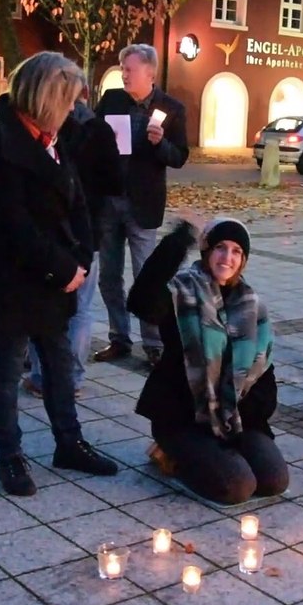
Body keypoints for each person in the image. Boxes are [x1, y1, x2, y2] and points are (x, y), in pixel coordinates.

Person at [0, 51, 119, 497]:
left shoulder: (54, 138)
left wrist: (85, 257)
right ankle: (9, 457)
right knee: (8, 369)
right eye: (67, 99)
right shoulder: (1, 146)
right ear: (46, 96)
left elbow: (76, 202)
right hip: (11, 282)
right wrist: (64, 267)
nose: (73, 109)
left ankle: (69, 443)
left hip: (54, 280)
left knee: (58, 365)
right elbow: (14, 224)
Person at [127, 215, 287, 505]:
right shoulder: (181, 292)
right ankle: (171, 456)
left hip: (235, 419)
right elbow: (140, 299)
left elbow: (264, 373)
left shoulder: (251, 305)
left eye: (236, 251)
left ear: (244, 259)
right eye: (220, 248)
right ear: (206, 251)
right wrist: (181, 238)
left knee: (274, 481)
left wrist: (236, 419)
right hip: (184, 419)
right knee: (237, 488)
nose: (227, 257)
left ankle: (220, 455)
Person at [93, 44, 190, 367]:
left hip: (143, 205)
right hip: (109, 201)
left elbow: (179, 157)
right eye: (122, 68)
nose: (123, 74)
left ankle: (153, 343)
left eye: (129, 69)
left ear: (149, 72)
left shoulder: (171, 107)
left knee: (147, 276)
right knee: (109, 276)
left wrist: (159, 144)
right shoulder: (111, 101)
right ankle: (119, 338)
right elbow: (90, 138)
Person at [23, 94, 123, 398]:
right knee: (80, 308)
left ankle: (42, 375)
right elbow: (116, 182)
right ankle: (73, 378)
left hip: (50, 231)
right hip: (88, 230)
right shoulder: (100, 130)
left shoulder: (43, 127)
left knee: (44, 303)